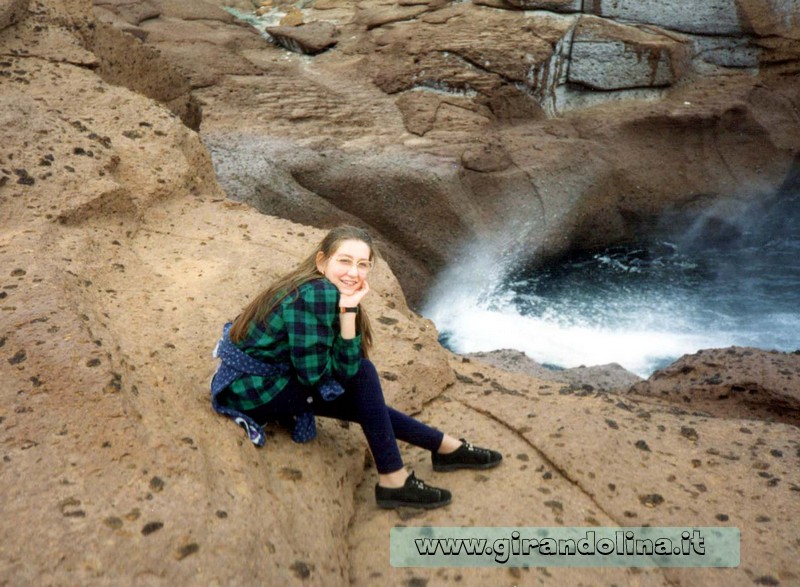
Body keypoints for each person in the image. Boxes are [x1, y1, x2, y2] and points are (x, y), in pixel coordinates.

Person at [211, 225, 501, 509]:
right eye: (345, 261)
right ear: (322, 261)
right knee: (363, 377)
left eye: (362, 264)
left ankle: (444, 448)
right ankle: (398, 478)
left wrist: (349, 310)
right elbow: (320, 375)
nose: (353, 272)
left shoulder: (319, 286)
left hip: (251, 379)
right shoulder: (317, 294)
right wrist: (349, 312)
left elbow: (329, 368)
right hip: (253, 390)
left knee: (365, 400)